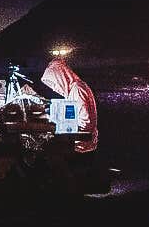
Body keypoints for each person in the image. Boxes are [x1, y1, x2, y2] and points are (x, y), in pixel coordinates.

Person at [39, 58, 104, 193]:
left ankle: (63, 188)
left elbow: (85, 122)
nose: (56, 87)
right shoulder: (76, 88)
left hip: (82, 146)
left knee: (47, 151)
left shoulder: (78, 90)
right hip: (82, 141)